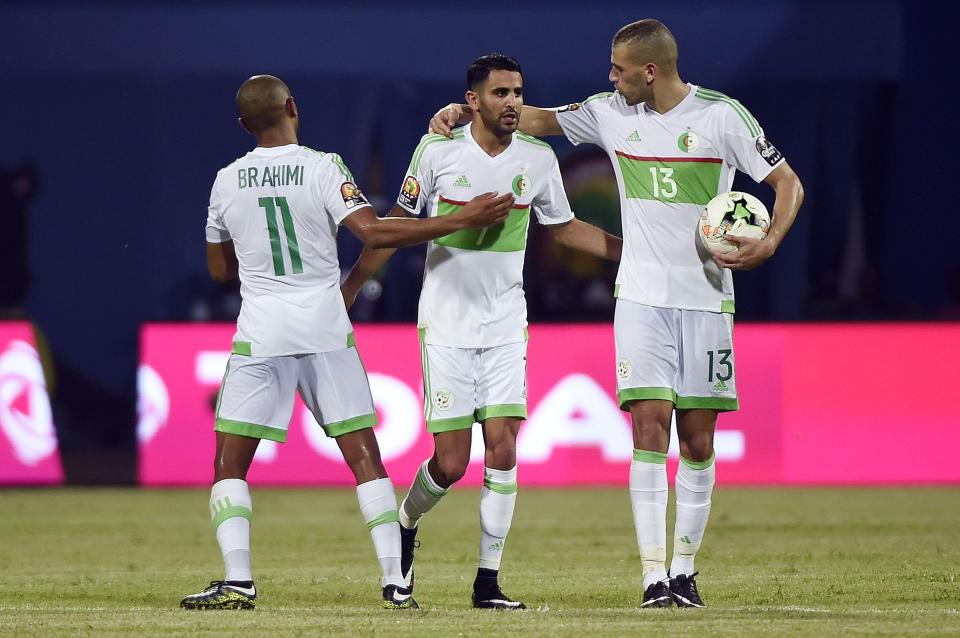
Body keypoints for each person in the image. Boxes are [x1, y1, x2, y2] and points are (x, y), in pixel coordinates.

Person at [429, 20, 804, 609]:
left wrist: (771, 241)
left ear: (648, 71)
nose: (609, 77)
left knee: (698, 441)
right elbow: (538, 118)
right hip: (639, 298)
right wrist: (460, 110)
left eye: (618, 68)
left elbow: (787, 183)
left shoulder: (722, 118)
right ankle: (654, 578)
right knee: (649, 428)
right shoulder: (609, 112)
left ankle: (685, 571)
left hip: (707, 297)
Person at [180, 74, 514, 611]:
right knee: (364, 457)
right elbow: (375, 231)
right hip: (325, 324)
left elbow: (220, 270)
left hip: (262, 330)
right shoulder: (322, 166)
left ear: (244, 125)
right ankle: (395, 584)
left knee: (229, 465)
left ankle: (238, 580)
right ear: (293, 107)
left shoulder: (226, 181)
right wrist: (459, 219)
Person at [341, 54, 622, 610]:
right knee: (450, 462)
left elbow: (564, 229)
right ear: (474, 101)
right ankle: (406, 520)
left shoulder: (538, 160)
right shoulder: (438, 151)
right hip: (445, 324)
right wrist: (348, 291)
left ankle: (487, 582)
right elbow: (392, 227)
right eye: (500, 93)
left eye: (518, 92)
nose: (512, 102)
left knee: (503, 449)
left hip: (504, 325)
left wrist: (631, 253)